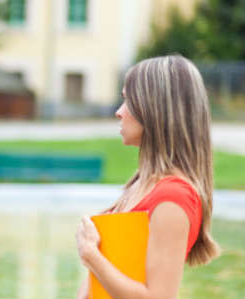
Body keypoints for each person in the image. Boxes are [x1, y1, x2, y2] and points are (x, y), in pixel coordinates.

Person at [75, 55, 220, 299]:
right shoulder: (140, 185)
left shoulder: (173, 197)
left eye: (129, 101)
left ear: (155, 109)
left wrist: (91, 255)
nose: (119, 112)